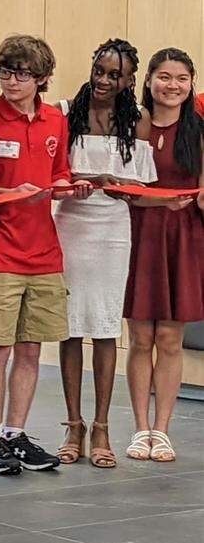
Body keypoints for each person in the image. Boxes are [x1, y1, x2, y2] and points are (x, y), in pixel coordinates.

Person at [0, 34, 93, 476]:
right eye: (4, 71)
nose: (11, 81)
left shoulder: (55, 122)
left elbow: (57, 172)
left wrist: (68, 185)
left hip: (44, 253)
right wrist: (9, 193)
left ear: (41, 78)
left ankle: (16, 435)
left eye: (21, 74)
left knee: (29, 350)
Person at [52, 39, 154, 469]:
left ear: (131, 81)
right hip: (70, 225)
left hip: (113, 230)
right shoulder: (62, 112)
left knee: (107, 327)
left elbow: (144, 190)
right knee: (71, 326)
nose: (104, 80)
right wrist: (83, 177)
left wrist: (119, 185)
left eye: (115, 74)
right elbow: (51, 174)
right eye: (100, 70)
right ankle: (73, 424)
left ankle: (102, 427)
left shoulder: (140, 121)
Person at [122, 47, 204, 463]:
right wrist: (159, 202)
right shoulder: (132, 124)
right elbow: (125, 190)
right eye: (164, 77)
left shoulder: (199, 129)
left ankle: (163, 430)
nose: (173, 86)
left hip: (184, 239)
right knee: (140, 338)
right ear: (149, 80)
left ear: (191, 85)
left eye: (182, 78)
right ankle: (139, 428)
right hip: (140, 237)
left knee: (170, 338)